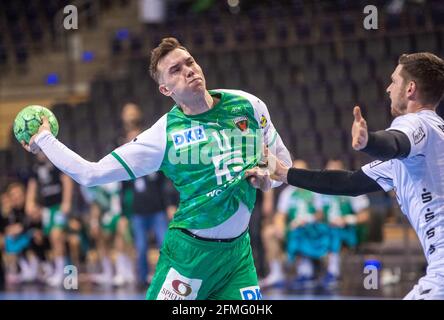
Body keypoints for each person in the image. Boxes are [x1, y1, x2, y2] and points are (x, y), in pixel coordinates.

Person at [22, 37, 292, 300]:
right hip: (189, 256)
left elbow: (282, 167)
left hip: (237, 257)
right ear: (165, 90)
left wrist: (267, 175)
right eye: (175, 70)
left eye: (190, 62)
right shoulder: (163, 136)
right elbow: (90, 174)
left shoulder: (248, 105)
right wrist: (46, 140)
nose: (188, 71)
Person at [247, 52, 444, 300]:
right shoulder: (426, 143)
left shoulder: (418, 124)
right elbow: (349, 183)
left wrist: (368, 141)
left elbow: (395, 142)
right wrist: (286, 174)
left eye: (394, 81)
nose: (388, 88)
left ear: (410, 89)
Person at [26, 152, 74, 287]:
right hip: (46, 209)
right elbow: (32, 187)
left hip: (59, 207)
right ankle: (59, 269)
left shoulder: (56, 162)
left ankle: (62, 273)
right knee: (52, 240)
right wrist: (29, 203)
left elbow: (67, 180)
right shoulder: (36, 168)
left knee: (56, 235)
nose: (40, 153)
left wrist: (67, 202)